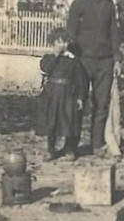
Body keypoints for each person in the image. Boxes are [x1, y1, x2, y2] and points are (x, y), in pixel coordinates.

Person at [66, 0, 121, 154]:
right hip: (83, 61)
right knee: (77, 103)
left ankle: (96, 145)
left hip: (104, 61)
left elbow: (114, 33)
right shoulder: (79, 4)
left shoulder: (109, 5)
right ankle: (71, 146)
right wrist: (73, 59)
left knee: (101, 104)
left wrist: (117, 59)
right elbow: (70, 34)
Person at [35, 29, 88, 161]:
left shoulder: (73, 61)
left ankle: (69, 149)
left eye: (64, 42)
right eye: (59, 42)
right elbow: (46, 69)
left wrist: (80, 97)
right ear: (52, 43)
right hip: (52, 95)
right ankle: (51, 149)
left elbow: (81, 80)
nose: (62, 45)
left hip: (68, 96)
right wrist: (57, 56)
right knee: (51, 123)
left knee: (68, 122)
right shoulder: (48, 59)